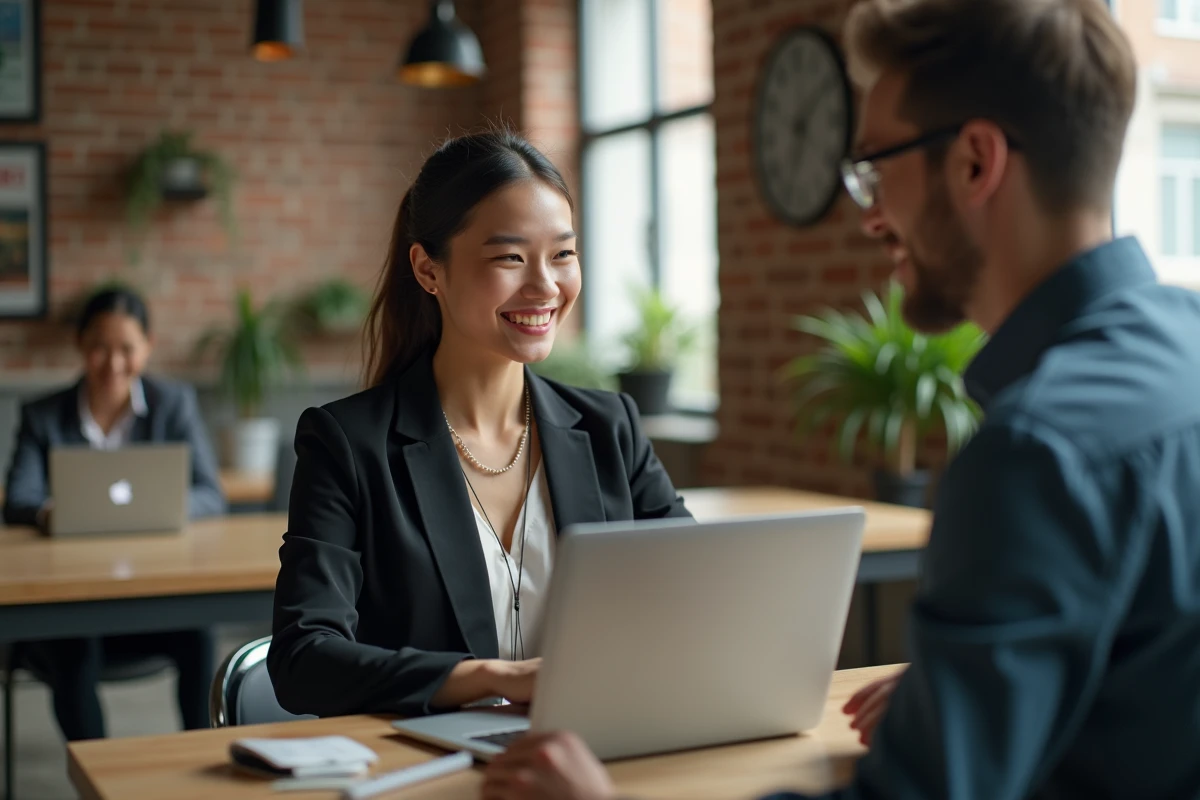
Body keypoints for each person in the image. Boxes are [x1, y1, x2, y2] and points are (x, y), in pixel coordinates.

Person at [480, 0, 1200, 798]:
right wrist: (960, 703)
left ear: (973, 163)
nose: (869, 214)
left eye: (876, 167)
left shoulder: (1039, 451)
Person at [267, 129, 691, 718]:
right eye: (509, 257)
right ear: (428, 270)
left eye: (563, 254)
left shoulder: (608, 427)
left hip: (596, 754)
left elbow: (697, 591)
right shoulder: (347, 444)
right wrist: (492, 678)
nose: (546, 285)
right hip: (428, 768)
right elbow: (303, 661)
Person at [3, 287, 225, 740]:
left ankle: (201, 759)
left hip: (152, 593)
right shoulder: (42, 416)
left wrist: (162, 508)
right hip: (71, 598)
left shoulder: (174, 404)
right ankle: (97, 775)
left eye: (127, 348)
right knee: (71, 647)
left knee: (201, 635)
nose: (114, 363)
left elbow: (210, 493)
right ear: (81, 346)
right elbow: (18, 499)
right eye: (100, 347)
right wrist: (58, 514)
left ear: (147, 347)